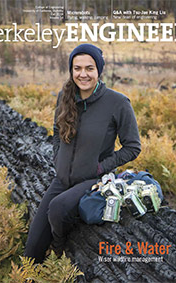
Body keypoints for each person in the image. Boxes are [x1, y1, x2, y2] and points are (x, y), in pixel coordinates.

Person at [24, 43, 141, 263]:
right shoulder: (64, 96)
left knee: (58, 208)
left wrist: (100, 167)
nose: (83, 74)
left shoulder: (118, 103)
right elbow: (57, 131)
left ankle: (59, 251)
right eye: (77, 68)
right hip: (62, 178)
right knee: (31, 250)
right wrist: (58, 159)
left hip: (93, 179)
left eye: (89, 68)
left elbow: (133, 147)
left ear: (99, 70)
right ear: (71, 70)